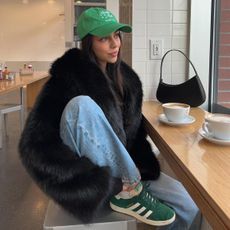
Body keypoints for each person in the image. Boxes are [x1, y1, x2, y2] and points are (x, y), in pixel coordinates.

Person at [19, 7, 201, 229]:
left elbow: (134, 138)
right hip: (97, 177)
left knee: (188, 205)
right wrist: (84, 183)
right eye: (104, 38)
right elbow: (34, 146)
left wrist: (143, 165)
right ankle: (130, 190)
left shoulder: (128, 81)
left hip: (126, 170)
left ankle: (131, 189)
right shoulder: (66, 79)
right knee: (82, 105)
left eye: (116, 35)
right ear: (88, 44)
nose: (115, 44)